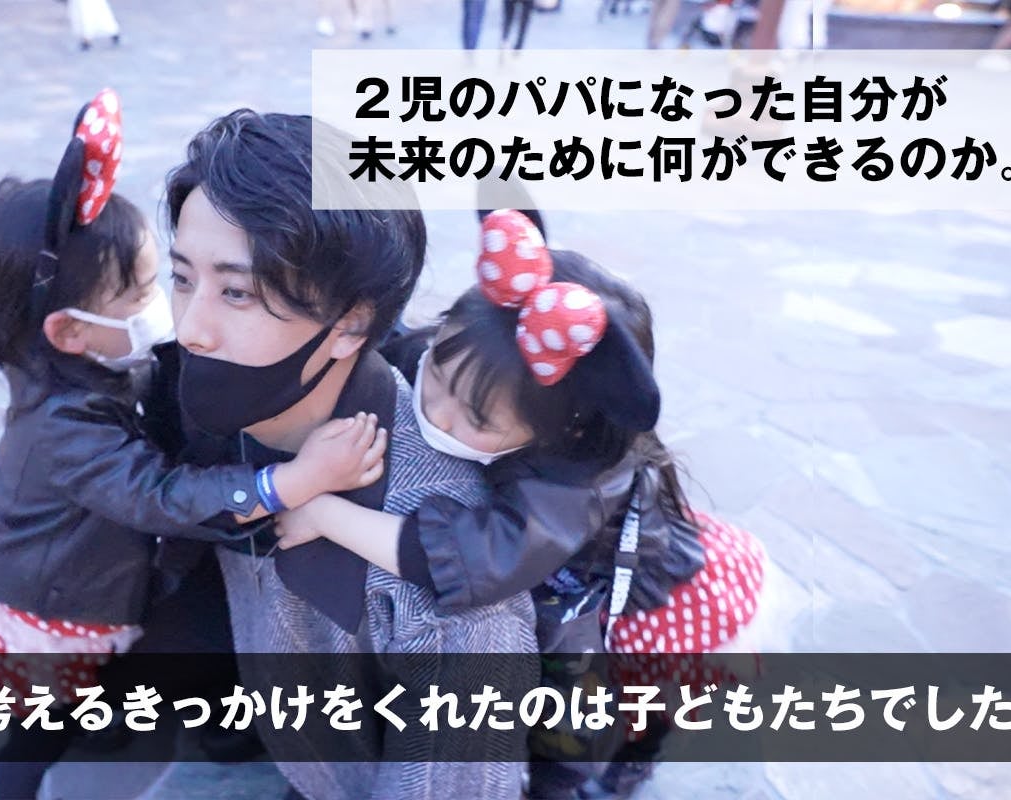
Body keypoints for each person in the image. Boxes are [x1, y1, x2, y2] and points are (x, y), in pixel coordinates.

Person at [0, 91, 383, 800]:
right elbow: (157, 494)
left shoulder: (75, 365)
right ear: (69, 330)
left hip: (70, 574)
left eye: (166, 281)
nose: (173, 313)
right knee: (38, 725)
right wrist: (289, 483)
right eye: (147, 290)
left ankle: (204, 724)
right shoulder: (65, 425)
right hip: (47, 606)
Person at [275, 210, 771, 799]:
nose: (436, 413)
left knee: (571, 719)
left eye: (476, 419)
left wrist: (324, 514)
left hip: (595, 591)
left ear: (561, 432)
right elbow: (402, 354)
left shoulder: (576, 482)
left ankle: (612, 769)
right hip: (543, 567)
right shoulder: (468, 359)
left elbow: (475, 559)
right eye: (438, 372)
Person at [155, 110, 538, 799]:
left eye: (237, 292)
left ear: (352, 322)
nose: (190, 329)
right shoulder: (212, 409)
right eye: (182, 278)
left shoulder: (450, 581)